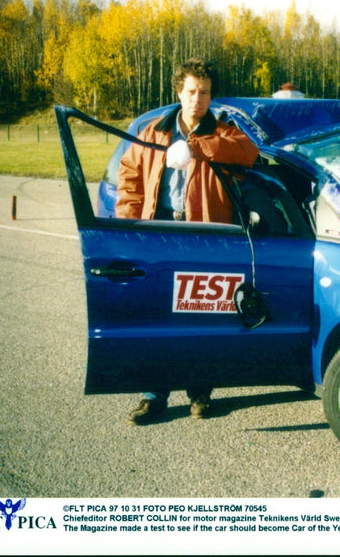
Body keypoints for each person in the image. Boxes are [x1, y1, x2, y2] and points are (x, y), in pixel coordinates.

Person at [116, 58, 259, 425]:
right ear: (179, 91)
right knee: (158, 314)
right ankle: (153, 394)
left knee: (199, 313)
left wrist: (200, 147)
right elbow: (130, 176)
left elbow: (249, 154)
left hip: (203, 236)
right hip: (160, 233)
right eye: (192, 91)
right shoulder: (153, 132)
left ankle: (199, 390)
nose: (198, 99)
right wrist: (129, 226)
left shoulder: (225, 133)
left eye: (205, 92)